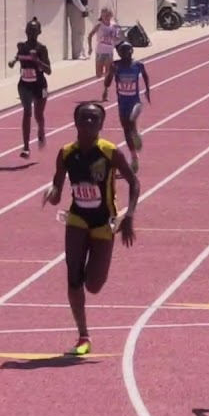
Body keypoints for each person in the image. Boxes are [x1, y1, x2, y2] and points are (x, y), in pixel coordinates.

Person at [42, 101, 140, 356]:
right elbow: (57, 191)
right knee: (73, 275)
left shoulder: (110, 152)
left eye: (93, 119)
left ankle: (90, 271)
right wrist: (51, 193)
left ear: (101, 124)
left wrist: (129, 215)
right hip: (77, 218)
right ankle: (83, 335)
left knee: (94, 285)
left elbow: (134, 181)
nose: (88, 123)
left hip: (103, 222)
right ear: (75, 122)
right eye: (84, 118)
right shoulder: (65, 153)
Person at [99, 41, 151, 173]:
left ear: (132, 51)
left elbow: (145, 75)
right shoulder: (115, 65)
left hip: (135, 101)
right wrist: (111, 73)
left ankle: (136, 133)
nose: (126, 54)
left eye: (128, 51)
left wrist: (147, 90)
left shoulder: (138, 65)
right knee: (126, 130)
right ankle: (134, 157)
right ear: (119, 53)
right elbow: (107, 82)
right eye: (122, 51)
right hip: (122, 103)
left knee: (132, 120)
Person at [8, 19, 51, 158]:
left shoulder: (41, 48)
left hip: (39, 85)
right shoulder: (21, 46)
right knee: (27, 112)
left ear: (39, 32)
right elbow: (17, 57)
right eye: (29, 30)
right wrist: (13, 62)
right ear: (26, 31)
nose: (31, 33)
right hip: (24, 84)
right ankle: (26, 147)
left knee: (38, 115)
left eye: (34, 30)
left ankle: (41, 129)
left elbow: (49, 70)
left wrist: (36, 60)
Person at [86, 8, 123, 78]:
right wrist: (90, 48)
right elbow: (90, 36)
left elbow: (118, 38)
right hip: (99, 52)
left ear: (111, 15)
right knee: (98, 74)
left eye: (108, 15)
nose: (106, 17)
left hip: (109, 52)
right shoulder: (99, 25)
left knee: (108, 73)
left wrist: (115, 37)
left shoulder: (114, 25)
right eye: (104, 15)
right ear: (101, 16)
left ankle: (106, 87)